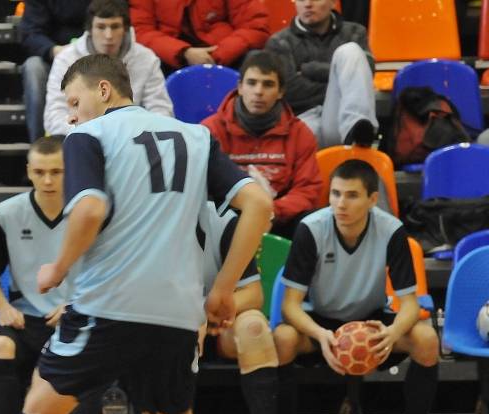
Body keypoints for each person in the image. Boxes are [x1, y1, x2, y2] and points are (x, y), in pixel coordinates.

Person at [0, 54, 276, 414]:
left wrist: (60, 265)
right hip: (177, 314)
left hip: (107, 306)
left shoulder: (89, 135)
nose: (70, 117)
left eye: (73, 103)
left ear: (102, 90)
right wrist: (221, 288)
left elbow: (91, 208)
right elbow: (259, 203)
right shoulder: (195, 135)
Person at [273, 160, 440, 414]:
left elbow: (409, 304)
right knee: (282, 339)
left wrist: (391, 334)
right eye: (335, 194)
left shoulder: (392, 230)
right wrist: (322, 335)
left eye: (351, 195)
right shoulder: (311, 229)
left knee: (427, 339)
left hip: (373, 321)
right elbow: (290, 306)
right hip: (322, 321)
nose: (340, 203)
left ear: (372, 199)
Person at [0, 135, 113, 414]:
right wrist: (3, 307)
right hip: (27, 316)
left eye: (57, 172)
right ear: (28, 171)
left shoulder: (91, 211)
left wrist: (74, 303)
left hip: (80, 311)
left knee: (91, 350)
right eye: (40, 172)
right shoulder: (5, 214)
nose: (49, 180)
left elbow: (110, 271)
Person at [198, 203, 285, 414]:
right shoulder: (151, 217)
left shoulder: (223, 220)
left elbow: (253, 294)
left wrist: (207, 314)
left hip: (222, 321)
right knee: (150, 330)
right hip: (171, 319)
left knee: (255, 329)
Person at [201, 49, 322, 239]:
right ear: (240, 87)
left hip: (279, 218)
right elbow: (201, 187)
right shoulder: (210, 131)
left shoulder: (300, 133)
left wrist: (270, 211)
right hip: (226, 219)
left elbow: (307, 190)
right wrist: (247, 214)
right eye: (251, 83)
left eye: (268, 84)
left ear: (281, 91)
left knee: (315, 222)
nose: (258, 92)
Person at [44, 0, 172, 136]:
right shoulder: (66, 59)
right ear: (90, 30)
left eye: (115, 26)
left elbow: (162, 112)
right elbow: (54, 117)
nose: (108, 35)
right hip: (82, 138)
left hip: (132, 139)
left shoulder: (146, 59)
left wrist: (129, 136)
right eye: (101, 27)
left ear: (125, 29)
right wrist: (95, 135)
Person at [265, 0, 378, 149]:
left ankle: (358, 128)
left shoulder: (355, 32)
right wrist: (341, 81)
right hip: (304, 116)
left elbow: (366, 71)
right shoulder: (278, 42)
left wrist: (309, 70)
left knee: (350, 51)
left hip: (341, 116)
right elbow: (290, 90)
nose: (307, 4)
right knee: (303, 136)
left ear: (332, 2)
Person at [18, 0, 90, 141]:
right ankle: (41, 148)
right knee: (34, 68)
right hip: (54, 56)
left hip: (97, 56)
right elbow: (30, 33)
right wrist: (54, 51)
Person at [129, 0, 270, 71]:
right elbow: (140, 31)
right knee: (139, 62)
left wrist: (217, 55)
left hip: (223, 56)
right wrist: (184, 53)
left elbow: (255, 26)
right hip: (170, 59)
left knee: (257, 61)